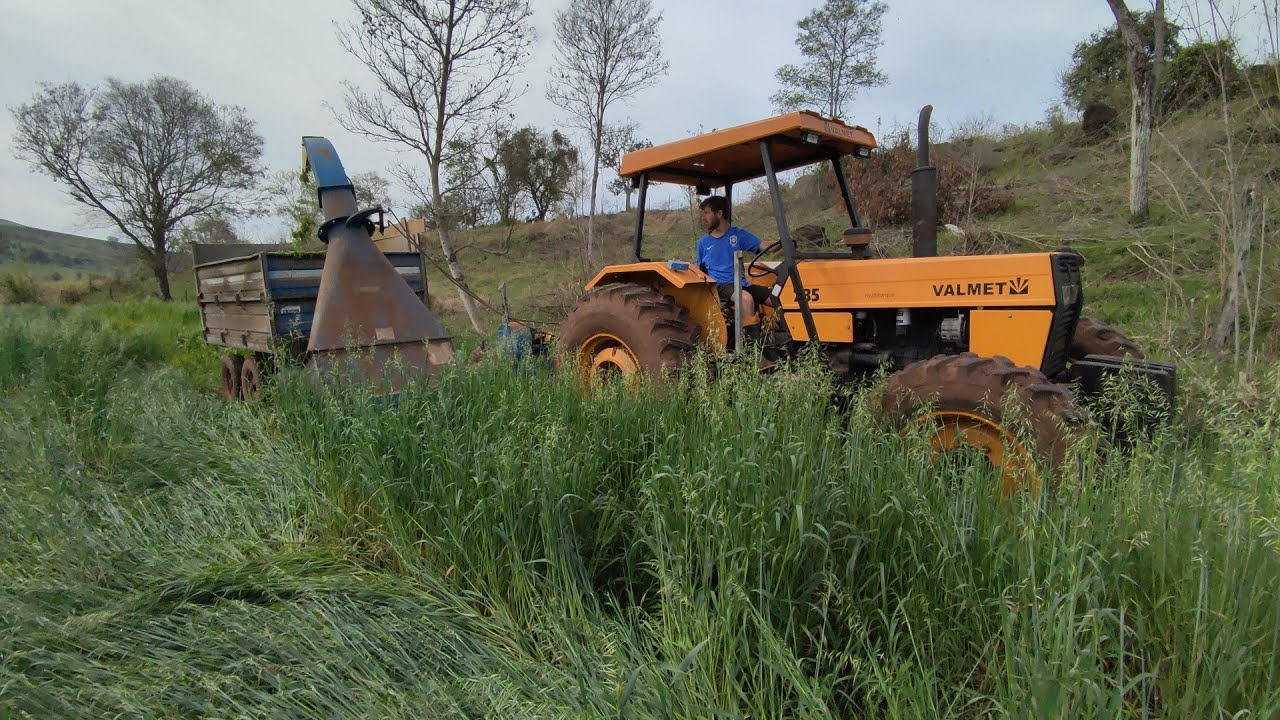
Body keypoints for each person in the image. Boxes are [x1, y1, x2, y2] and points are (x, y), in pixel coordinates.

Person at [694, 195, 771, 345]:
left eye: (707, 213)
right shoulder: (703, 243)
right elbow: (699, 270)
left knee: (778, 298)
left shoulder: (737, 235)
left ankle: (790, 344)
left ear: (720, 214)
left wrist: (783, 243)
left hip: (742, 284)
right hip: (720, 287)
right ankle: (753, 353)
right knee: (746, 299)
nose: (704, 217)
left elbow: (761, 245)